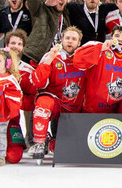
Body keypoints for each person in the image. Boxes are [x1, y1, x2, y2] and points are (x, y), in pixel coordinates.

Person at [29, 27, 86, 164]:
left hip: (75, 108)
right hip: (57, 104)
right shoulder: (52, 56)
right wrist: (50, 58)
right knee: (42, 103)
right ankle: (39, 143)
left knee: (63, 149)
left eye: (73, 39)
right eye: (67, 38)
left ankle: (51, 141)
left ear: (79, 43)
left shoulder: (84, 57)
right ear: (62, 40)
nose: (70, 42)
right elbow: (38, 82)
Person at [72, 26, 122, 113]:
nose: (120, 39)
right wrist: (101, 48)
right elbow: (77, 59)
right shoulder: (101, 49)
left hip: (115, 112)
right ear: (111, 38)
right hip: (91, 109)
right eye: (117, 36)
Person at [23, 0, 70, 66]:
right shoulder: (41, 10)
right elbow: (32, 0)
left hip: (59, 60)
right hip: (36, 58)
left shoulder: (66, 16)